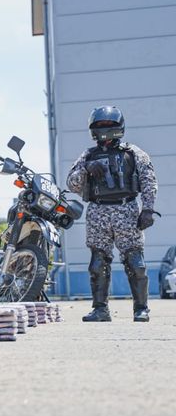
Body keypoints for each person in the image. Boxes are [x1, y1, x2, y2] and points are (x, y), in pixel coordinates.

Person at [67, 106, 158, 322]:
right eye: (100, 125)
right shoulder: (88, 155)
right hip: (98, 211)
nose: (104, 129)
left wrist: (147, 209)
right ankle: (100, 310)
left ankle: (141, 309)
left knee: (136, 263)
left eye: (108, 125)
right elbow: (72, 184)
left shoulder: (133, 152)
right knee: (97, 263)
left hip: (127, 210)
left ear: (119, 127)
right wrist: (86, 168)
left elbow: (148, 180)